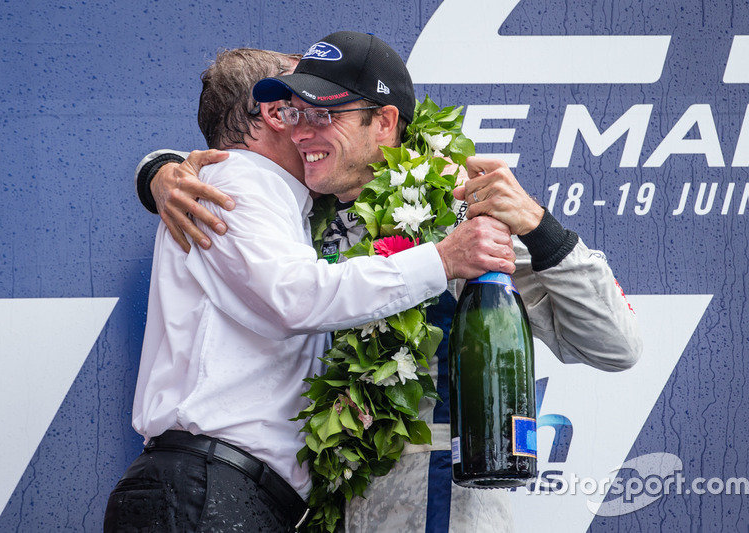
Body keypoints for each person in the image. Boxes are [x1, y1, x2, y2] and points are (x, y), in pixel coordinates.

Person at [134, 32, 642, 533]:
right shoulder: (296, 213)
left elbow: (614, 345)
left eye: (323, 114)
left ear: (384, 120)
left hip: (435, 509)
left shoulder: (457, 208)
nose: (302, 132)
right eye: (297, 114)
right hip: (316, 510)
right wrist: (160, 171)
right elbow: (252, 211)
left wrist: (539, 226)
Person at [106, 46, 515, 532]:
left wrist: (157, 167)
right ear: (277, 115)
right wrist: (442, 258)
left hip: (224, 491)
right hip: (209, 492)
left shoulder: (277, 199)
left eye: (323, 110)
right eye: (303, 106)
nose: (310, 124)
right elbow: (296, 296)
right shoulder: (237, 182)